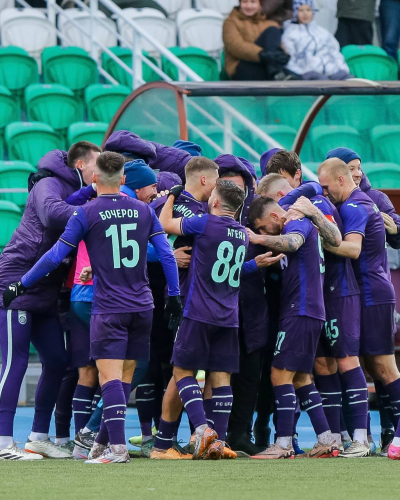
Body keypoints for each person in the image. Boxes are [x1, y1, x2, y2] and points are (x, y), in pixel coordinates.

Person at [3, 151, 182, 465]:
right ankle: (100, 444)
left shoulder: (86, 212)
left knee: (108, 376)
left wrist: (23, 283)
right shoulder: (143, 209)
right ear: (123, 179)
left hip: (109, 305)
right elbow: (167, 254)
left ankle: (118, 449)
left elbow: (55, 256)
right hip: (142, 305)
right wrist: (175, 296)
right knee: (126, 376)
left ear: (95, 178)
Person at [0, 142, 101, 461]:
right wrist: (94, 206)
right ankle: (2, 441)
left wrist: (89, 197)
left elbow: (70, 207)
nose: (100, 171)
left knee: (57, 360)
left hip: (44, 289)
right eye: (97, 164)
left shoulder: (74, 189)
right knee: (14, 362)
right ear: (81, 164)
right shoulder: (48, 182)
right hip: (16, 282)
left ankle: (38, 438)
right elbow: (52, 213)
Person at [155, 179, 252, 460]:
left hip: (199, 311)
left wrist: (172, 196)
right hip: (229, 315)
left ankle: (201, 429)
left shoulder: (205, 223)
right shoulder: (242, 234)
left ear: (216, 201)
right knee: (221, 377)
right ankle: (218, 441)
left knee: (182, 371)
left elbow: (164, 224)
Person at [317, 158, 400, 461]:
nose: (325, 193)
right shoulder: (358, 203)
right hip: (364, 292)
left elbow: (352, 249)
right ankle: (364, 439)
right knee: (365, 365)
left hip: (371, 293)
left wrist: (316, 239)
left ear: (341, 180)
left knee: (384, 367)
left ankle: (376, 437)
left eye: (327, 187)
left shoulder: (355, 206)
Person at [247, 196, 340, 459]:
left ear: (274, 217)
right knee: (300, 377)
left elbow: (294, 243)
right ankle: (326, 440)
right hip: (307, 309)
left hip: (300, 309)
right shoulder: (297, 222)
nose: (263, 232)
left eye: (262, 226)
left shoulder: (294, 224)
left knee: (279, 374)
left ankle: (283, 443)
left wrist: (258, 239)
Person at [222, 0, 297, 81]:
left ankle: (276, 73)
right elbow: (235, 46)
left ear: (259, 4)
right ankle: (276, 73)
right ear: (240, 4)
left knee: (297, 79)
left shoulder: (269, 24)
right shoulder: (231, 22)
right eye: (245, 2)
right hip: (241, 68)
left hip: (264, 67)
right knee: (271, 30)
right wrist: (261, 54)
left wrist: (283, 55)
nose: (249, 6)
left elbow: (279, 46)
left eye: (253, 2)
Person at [282, 0, 351, 80]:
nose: (305, 13)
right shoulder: (290, 34)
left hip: (332, 70)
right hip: (308, 73)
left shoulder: (323, 32)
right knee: (324, 83)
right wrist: (300, 75)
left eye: (308, 10)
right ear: (295, 12)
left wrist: (343, 69)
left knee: (351, 81)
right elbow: (290, 61)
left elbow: (335, 52)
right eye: (301, 10)